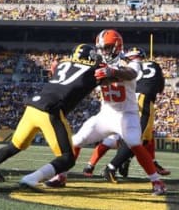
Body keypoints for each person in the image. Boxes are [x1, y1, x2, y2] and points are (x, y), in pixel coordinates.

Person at [41, 30, 166, 195]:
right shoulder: (97, 61)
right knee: (76, 140)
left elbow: (131, 73)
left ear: (117, 45)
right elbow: (79, 72)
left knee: (134, 142)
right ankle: (61, 176)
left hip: (127, 114)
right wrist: (59, 69)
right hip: (106, 113)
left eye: (106, 47)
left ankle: (157, 181)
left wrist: (113, 72)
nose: (103, 51)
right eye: (101, 48)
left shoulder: (129, 61)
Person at [0, 43, 103, 186]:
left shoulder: (63, 64)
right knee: (67, 158)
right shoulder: (93, 70)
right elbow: (110, 77)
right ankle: (32, 178)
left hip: (33, 107)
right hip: (50, 110)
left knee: (13, 146)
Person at [82, 47, 170, 178]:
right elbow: (161, 86)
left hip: (127, 100)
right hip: (140, 100)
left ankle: (142, 161)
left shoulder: (126, 67)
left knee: (146, 135)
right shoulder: (152, 64)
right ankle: (112, 166)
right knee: (134, 137)